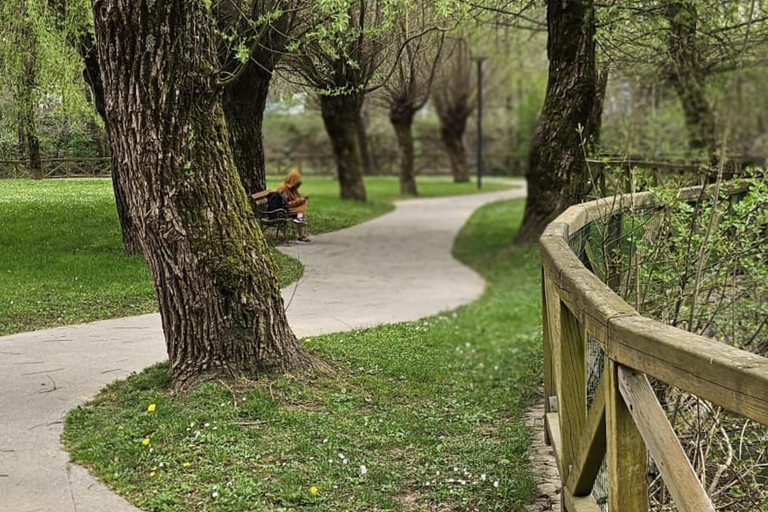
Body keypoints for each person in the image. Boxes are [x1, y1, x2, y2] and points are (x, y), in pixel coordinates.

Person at [277, 169, 311, 243]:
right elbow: (286, 204)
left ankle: (299, 219)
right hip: (283, 210)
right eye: (296, 184)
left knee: (303, 205)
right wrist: (300, 200)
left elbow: (296, 199)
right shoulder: (282, 188)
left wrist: (302, 200)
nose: (297, 186)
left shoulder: (292, 188)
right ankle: (299, 220)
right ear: (292, 180)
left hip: (290, 208)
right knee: (301, 207)